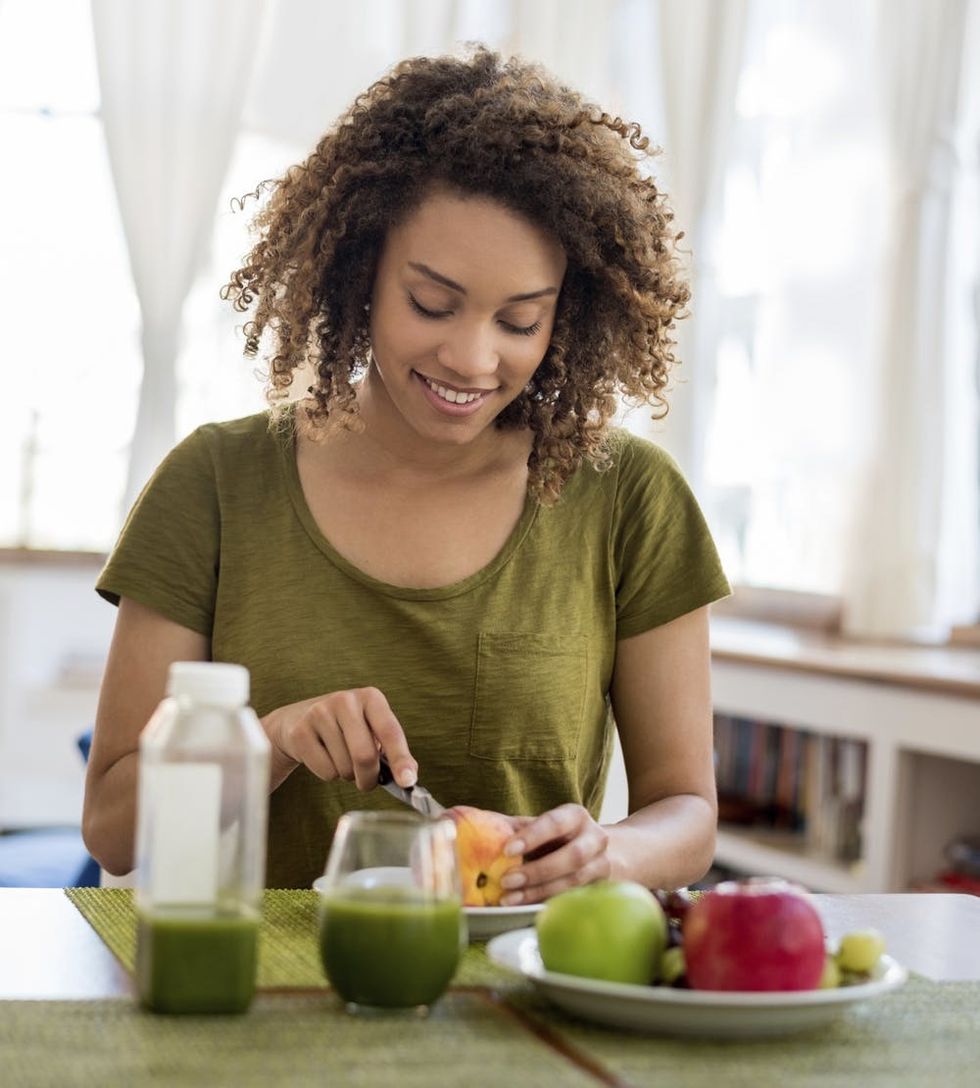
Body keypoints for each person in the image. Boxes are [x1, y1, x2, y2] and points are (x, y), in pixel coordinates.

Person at [83, 47, 730, 897]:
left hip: (520, 999)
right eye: (431, 303)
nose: (471, 357)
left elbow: (685, 810)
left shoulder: (628, 498)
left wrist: (604, 855)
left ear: (564, 315)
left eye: (519, 321)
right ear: (360, 274)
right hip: (256, 1003)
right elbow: (113, 830)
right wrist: (266, 741)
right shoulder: (214, 484)